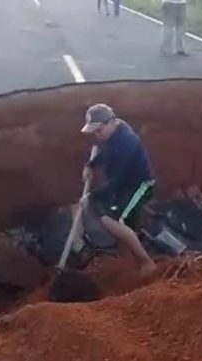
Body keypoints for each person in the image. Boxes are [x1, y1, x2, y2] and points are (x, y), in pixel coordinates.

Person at [79, 104, 157, 276]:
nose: (97, 135)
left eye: (99, 130)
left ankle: (147, 263)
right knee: (108, 218)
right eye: (95, 132)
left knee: (115, 221)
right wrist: (90, 165)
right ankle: (131, 253)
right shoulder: (113, 133)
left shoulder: (126, 141)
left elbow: (117, 179)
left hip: (140, 186)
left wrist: (91, 196)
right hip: (124, 187)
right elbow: (106, 153)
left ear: (111, 122)